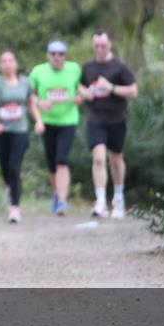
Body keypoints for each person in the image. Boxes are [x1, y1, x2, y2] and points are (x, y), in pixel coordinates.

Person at [0, 50, 44, 224]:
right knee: (5, 167)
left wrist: (38, 121)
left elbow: (31, 103)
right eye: (4, 61)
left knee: (15, 167)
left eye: (10, 60)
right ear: (0, 65)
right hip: (0, 132)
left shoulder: (25, 83)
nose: (7, 64)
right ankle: (10, 187)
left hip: (20, 131)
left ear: (15, 63)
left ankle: (14, 208)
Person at [79, 30, 138, 219]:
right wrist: (84, 92)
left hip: (117, 119)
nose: (100, 49)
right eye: (96, 45)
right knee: (98, 158)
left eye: (103, 45)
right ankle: (101, 201)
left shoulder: (120, 67)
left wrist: (111, 87)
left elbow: (133, 91)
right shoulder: (87, 67)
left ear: (110, 44)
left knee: (116, 159)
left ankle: (119, 198)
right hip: (95, 118)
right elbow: (79, 86)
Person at [28, 40, 82, 216]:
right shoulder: (38, 71)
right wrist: (39, 103)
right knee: (52, 164)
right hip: (47, 122)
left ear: (65, 56)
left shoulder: (74, 69)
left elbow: (83, 89)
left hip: (68, 121)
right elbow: (29, 95)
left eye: (61, 54)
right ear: (48, 55)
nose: (57, 57)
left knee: (62, 159)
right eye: (53, 54)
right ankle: (57, 193)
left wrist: (80, 96)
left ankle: (62, 201)